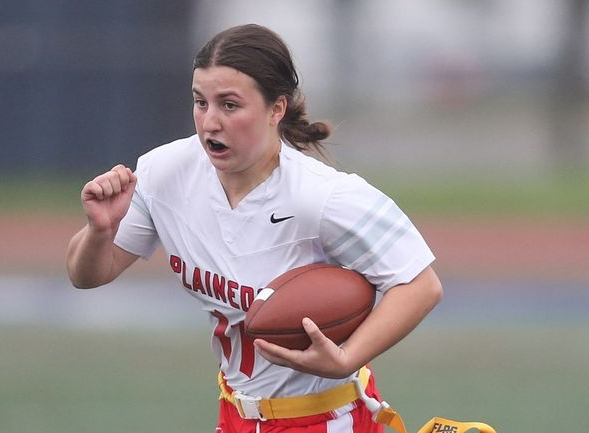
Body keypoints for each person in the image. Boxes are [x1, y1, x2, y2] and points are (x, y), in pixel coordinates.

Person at [67, 23, 443, 433]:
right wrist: (99, 231)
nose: (210, 122)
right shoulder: (164, 172)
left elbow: (421, 284)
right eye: (200, 102)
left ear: (276, 109)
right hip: (234, 414)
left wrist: (348, 356)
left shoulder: (323, 196)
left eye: (229, 105)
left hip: (324, 418)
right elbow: (88, 275)